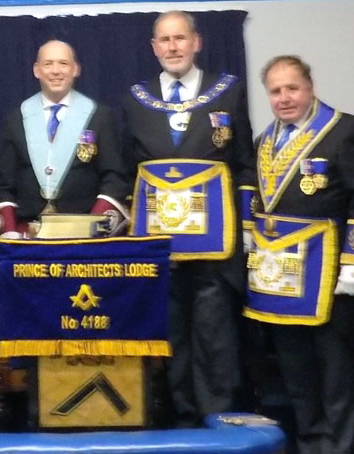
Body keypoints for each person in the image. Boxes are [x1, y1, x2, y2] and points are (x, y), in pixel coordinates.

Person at [244, 55, 354, 454]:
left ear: (311, 87)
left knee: (337, 381)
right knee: (298, 380)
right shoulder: (264, 142)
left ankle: (341, 449)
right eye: (275, 91)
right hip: (282, 283)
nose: (284, 98)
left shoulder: (345, 130)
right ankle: (310, 445)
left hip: (330, 283)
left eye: (292, 88)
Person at [121, 10, 254, 427]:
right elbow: (129, 171)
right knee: (171, 334)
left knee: (215, 336)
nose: (173, 47)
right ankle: (179, 420)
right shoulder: (135, 97)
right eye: (164, 40)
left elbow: (245, 163)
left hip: (216, 247)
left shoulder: (228, 92)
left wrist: (247, 224)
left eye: (180, 38)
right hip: (161, 247)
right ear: (154, 47)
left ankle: (219, 420)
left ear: (196, 42)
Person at [0, 39, 128, 238]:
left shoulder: (100, 116)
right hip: (30, 236)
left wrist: (94, 227)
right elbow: (5, 184)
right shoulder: (17, 118)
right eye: (48, 64)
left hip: (83, 237)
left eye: (63, 63)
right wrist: (11, 232)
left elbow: (114, 178)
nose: (56, 71)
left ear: (76, 69)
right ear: (36, 70)